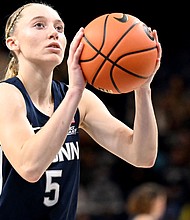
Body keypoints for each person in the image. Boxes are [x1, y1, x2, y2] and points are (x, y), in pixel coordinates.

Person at [0, 2, 162, 220]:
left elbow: (142, 155)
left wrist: (142, 87)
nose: (53, 34)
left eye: (59, 28)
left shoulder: (80, 100)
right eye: (39, 25)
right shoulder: (7, 95)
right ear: (13, 42)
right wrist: (75, 90)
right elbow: (30, 167)